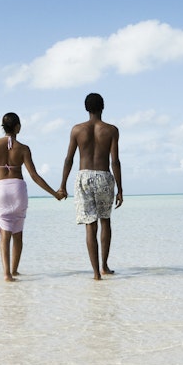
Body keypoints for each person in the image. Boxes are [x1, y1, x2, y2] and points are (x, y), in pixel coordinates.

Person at [0, 112, 62, 281]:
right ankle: (15, 271)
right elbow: (34, 176)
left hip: (1, 189)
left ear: (3, 127)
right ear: (18, 127)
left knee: (5, 235)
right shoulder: (24, 149)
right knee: (18, 233)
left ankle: (7, 274)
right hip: (18, 191)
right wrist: (54, 194)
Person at [59, 93, 123, 280]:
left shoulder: (77, 130)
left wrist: (62, 184)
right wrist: (120, 189)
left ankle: (96, 274)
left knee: (90, 225)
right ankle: (104, 266)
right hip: (104, 176)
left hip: (84, 176)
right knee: (105, 221)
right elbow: (115, 161)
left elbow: (69, 159)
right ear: (103, 107)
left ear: (86, 108)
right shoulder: (111, 130)